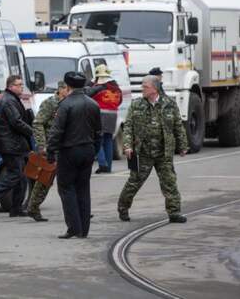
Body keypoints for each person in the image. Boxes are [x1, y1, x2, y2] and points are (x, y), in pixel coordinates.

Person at [117, 75, 188, 224]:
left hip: (164, 152)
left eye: (145, 86)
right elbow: (128, 126)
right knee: (134, 182)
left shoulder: (169, 104)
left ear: (154, 89)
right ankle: (123, 208)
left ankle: (174, 212)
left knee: (169, 182)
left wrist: (182, 145)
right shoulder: (137, 105)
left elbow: (178, 126)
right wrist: (128, 146)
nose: (142, 89)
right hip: (143, 152)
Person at [47, 72, 101, 239]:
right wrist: (95, 150)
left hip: (69, 151)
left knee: (66, 188)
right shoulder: (93, 104)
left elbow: (57, 131)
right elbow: (98, 131)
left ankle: (73, 228)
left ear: (68, 86)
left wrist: (50, 151)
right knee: (83, 188)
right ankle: (84, 229)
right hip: (88, 150)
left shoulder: (65, 105)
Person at [0, 75, 33, 218]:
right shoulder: (9, 101)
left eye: (22, 84)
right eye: (19, 84)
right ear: (10, 86)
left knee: (21, 177)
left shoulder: (13, 99)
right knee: (15, 175)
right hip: (11, 145)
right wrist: (32, 131)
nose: (21, 87)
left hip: (15, 144)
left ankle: (16, 208)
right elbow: (16, 122)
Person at [26, 81, 69, 222]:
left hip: (66, 148)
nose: (69, 92)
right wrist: (42, 145)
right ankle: (33, 207)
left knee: (68, 181)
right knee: (45, 180)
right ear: (61, 89)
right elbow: (38, 123)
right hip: (51, 148)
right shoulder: (50, 103)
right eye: (67, 89)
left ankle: (74, 209)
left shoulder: (70, 103)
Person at [89, 64, 123, 174]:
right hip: (113, 115)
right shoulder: (116, 89)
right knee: (108, 140)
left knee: (98, 139)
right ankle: (108, 167)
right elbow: (120, 101)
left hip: (100, 115)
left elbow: (89, 99)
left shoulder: (97, 88)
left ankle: (103, 164)